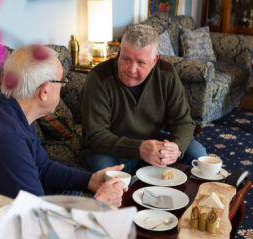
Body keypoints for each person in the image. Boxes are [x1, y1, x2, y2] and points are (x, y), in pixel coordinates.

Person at [0, 45, 126, 207]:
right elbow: (35, 218)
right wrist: (99, 203)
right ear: (45, 91)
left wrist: (90, 180)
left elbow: (43, 168)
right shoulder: (6, 137)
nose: (62, 88)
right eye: (62, 82)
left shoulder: (11, 109)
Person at [81, 24, 207, 173]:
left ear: (154, 60)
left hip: (154, 139)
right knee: (109, 175)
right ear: (119, 52)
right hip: (110, 147)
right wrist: (140, 149)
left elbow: (184, 122)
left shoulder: (167, 73)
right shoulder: (98, 78)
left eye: (141, 62)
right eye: (126, 59)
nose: (131, 69)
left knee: (198, 156)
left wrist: (176, 148)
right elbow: (95, 136)